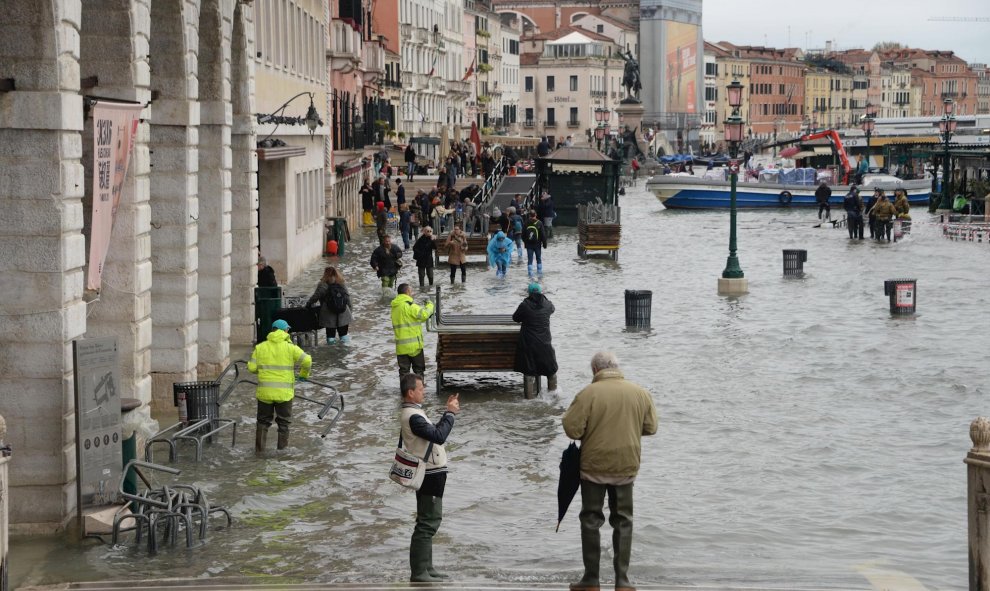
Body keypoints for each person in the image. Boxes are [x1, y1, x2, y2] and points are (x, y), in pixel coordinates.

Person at [562, 352, 658, 591]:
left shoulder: (588, 394)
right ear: (616, 367)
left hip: (594, 466)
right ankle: (622, 581)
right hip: (626, 464)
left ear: (595, 370)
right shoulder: (640, 392)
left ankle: (591, 580)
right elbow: (651, 427)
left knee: (591, 519)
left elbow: (572, 430)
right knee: (624, 520)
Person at [399, 373, 460, 582]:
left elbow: (433, 432)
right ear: (410, 392)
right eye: (421, 389)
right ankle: (419, 573)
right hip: (429, 475)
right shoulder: (413, 416)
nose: (423, 391)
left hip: (431, 474)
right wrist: (450, 414)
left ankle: (428, 568)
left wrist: (447, 413)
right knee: (428, 522)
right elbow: (439, 435)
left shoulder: (414, 413)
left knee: (428, 520)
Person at [247, 319, 312, 452]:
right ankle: (282, 453)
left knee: (263, 422)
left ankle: (259, 452)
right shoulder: (291, 348)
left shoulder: (260, 347)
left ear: (272, 330)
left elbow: (252, 368)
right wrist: (303, 375)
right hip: (284, 394)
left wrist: (264, 369)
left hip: (265, 393)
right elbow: (307, 361)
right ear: (285, 331)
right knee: (284, 423)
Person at [512, 283, 558, 391]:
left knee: (528, 372)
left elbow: (515, 318)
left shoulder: (525, 305)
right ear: (541, 292)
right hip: (545, 344)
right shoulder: (548, 304)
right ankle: (553, 397)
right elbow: (552, 309)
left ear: (529, 293)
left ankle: (529, 399)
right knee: (551, 371)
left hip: (528, 345)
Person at [390, 283, 435, 379]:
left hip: (401, 348)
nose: (413, 293)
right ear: (407, 292)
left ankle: (405, 392)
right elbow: (424, 314)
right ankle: (419, 392)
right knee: (419, 371)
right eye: (411, 291)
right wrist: (430, 304)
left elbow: (412, 319)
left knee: (404, 373)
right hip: (414, 347)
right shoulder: (409, 305)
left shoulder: (395, 307)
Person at [305, 266, 353, 345]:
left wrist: (308, 304)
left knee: (331, 336)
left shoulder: (323, 284)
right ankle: (345, 354)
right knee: (344, 335)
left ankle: (331, 353)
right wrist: (350, 311)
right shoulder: (341, 282)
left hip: (329, 313)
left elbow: (315, 297)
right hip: (343, 312)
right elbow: (348, 298)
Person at [523, 210, 547, 278]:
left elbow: (523, 235)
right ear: (535, 214)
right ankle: (539, 273)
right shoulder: (539, 223)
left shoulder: (526, 223)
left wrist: (526, 242)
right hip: (537, 244)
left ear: (529, 215)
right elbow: (543, 235)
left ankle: (530, 273)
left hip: (529, 245)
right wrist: (544, 244)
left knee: (530, 259)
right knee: (538, 258)